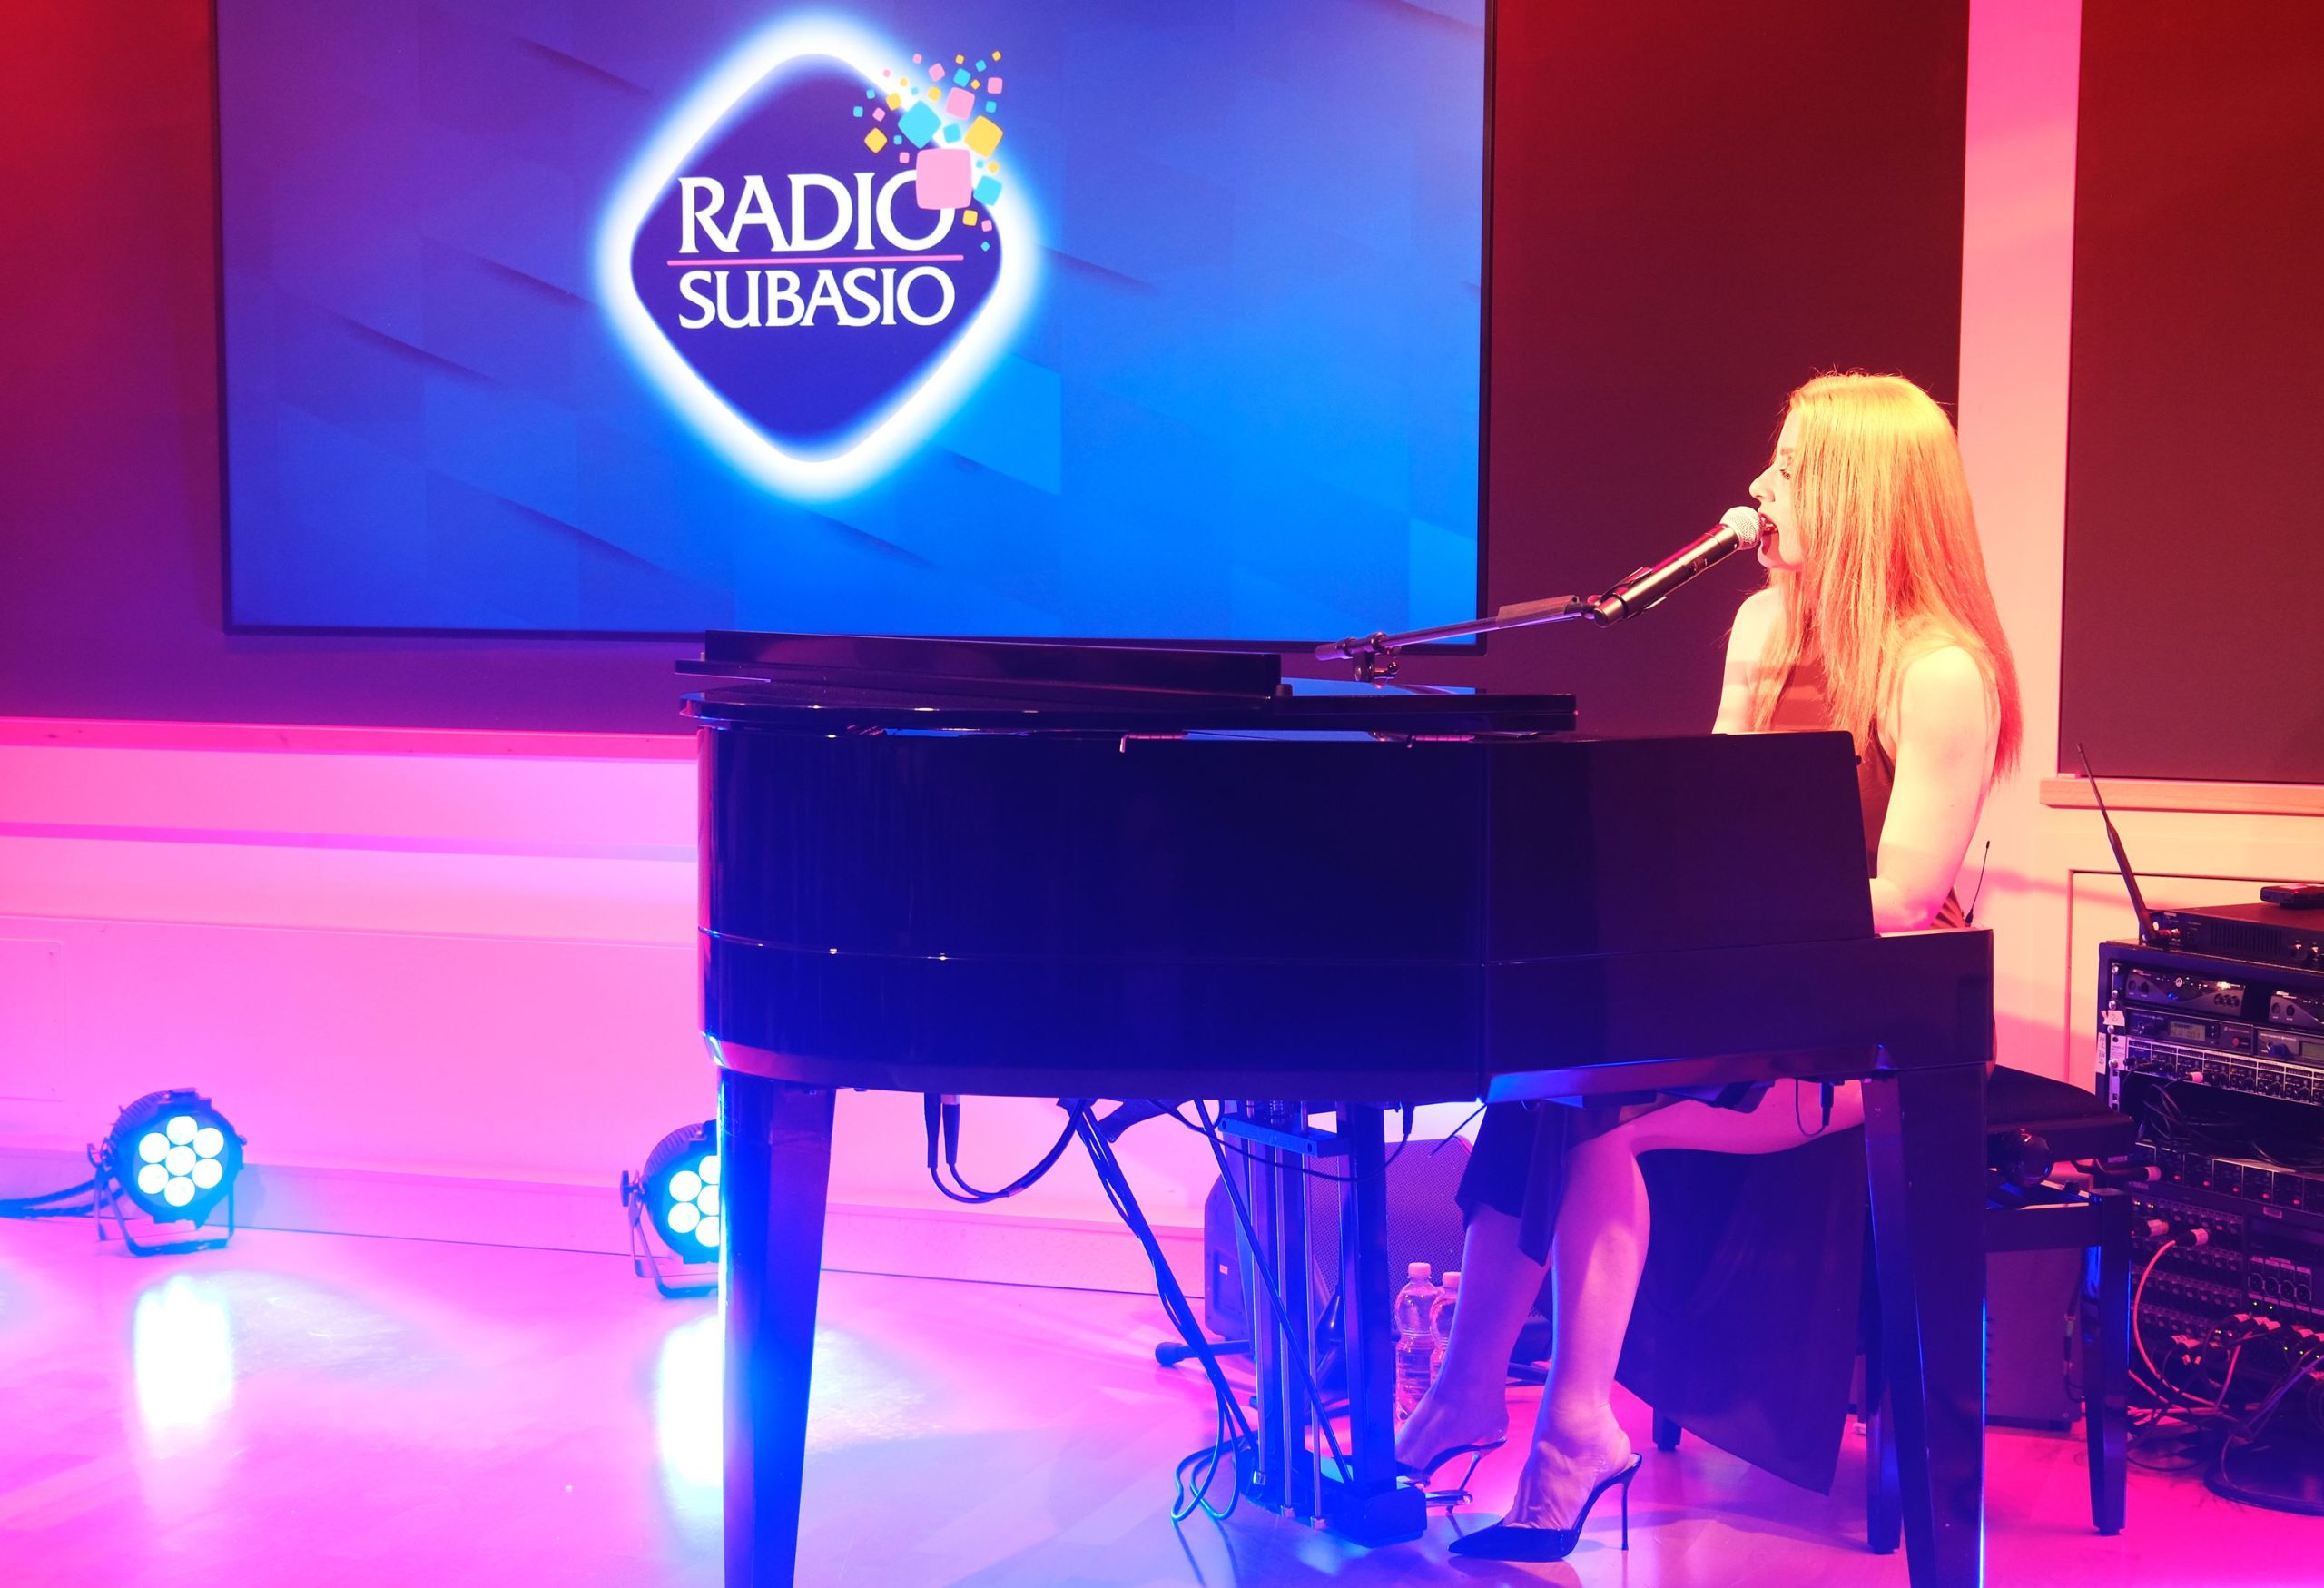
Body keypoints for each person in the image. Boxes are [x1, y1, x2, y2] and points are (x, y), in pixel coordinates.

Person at [1397, 371, 2023, 1562]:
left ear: (1859, 494)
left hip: (1864, 1028)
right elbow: (1726, 826)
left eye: (1789, 467)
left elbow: (1901, 898)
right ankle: (1478, 1398)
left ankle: (1562, 1426)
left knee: (1594, 1113)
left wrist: (1720, 931)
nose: (1758, 487)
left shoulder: (1940, 669)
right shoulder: (1762, 629)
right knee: (1534, 1084)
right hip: (1746, 992)